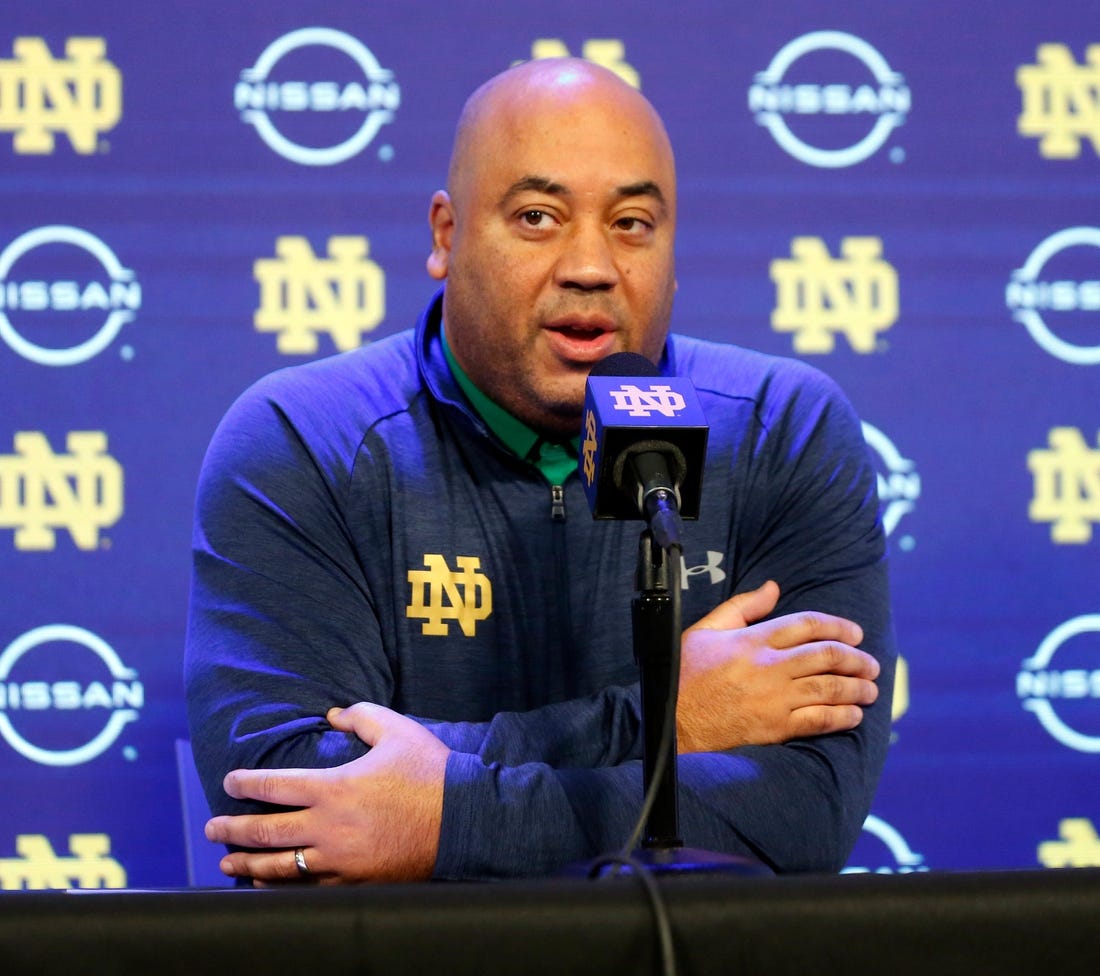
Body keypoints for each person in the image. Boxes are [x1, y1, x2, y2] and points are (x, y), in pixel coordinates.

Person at [185, 57, 895, 885]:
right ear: (446, 237)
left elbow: (807, 815)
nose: (591, 264)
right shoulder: (303, 439)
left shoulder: (784, 431)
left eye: (632, 223)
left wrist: (437, 816)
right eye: (537, 216)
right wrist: (667, 721)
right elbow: (287, 803)